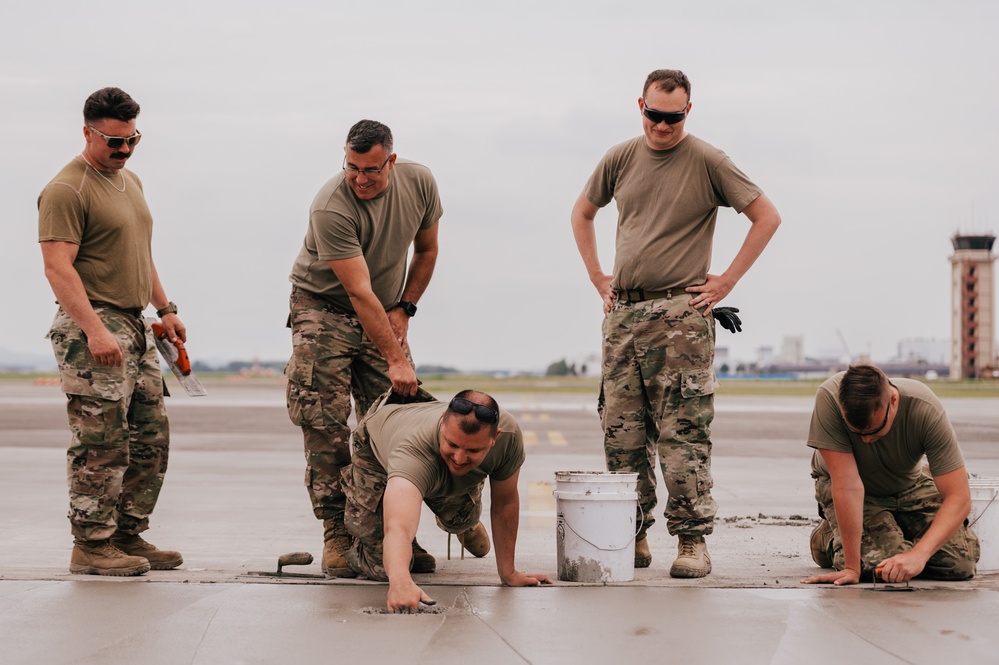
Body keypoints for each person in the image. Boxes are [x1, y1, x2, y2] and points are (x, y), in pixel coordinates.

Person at [570, 69, 781, 578]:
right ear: (639, 105)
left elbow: (766, 216)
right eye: (654, 115)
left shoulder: (709, 160)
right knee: (621, 431)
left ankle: (691, 541)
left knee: (682, 433)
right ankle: (632, 532)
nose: (662, 126)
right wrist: (599, 277)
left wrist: (725, 282)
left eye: (674, 117)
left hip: (680, 317)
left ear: (689, 110)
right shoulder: (620, 157)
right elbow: (582, 212)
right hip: (623, 314)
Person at [38, 87, 184, 576]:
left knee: (149, 438)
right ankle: (91, 543)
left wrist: (165, 308)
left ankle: (126, 532)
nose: (123, 151)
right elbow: (58, 268)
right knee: (101, 441)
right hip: (94, 325)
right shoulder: (67, 189)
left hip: (136, 325)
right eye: (113, 142)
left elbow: (140, 253)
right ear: (87, 132)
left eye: (131, 140)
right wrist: (94, 331)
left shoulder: (131, 181)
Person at [286, 119, 442, 578]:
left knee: (401, 418)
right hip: (323, 309)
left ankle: (397, 533)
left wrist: (406, 308)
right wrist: (395, 356)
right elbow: (358, 293)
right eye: (352, 167)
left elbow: (427, 251)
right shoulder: (332, 206)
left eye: (371, 169)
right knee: (325, 424)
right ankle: (338, 532)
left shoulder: (420, 182)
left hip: (385, 304)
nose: (360, 179)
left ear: (391, 160)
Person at [337, 388, 552, 612]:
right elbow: (398, 525)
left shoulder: (508, 438)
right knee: (384, 568)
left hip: (428, 458)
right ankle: (353, 538)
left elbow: (505, 503)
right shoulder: (412, 452)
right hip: (377, 450)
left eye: (472, 450)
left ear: (494, 438)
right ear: (443, 424)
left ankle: (462, 522)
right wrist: (400, 583)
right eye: (453, 444)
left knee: (461, 518)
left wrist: (509, 573)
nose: (459, 457)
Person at [802, 364, 980, 586]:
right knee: (879, 566)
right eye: (857, 433)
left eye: (874, 430)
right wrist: (852, 568)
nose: (865, 440)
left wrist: (919, 556)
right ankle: (827, 537)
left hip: (909, 484)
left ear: (893, 400)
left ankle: (892, 533)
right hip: (854, 490)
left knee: (960, 564)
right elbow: (848, 485)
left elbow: (959, 497)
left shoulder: (925, 409)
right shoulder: (829, 398)